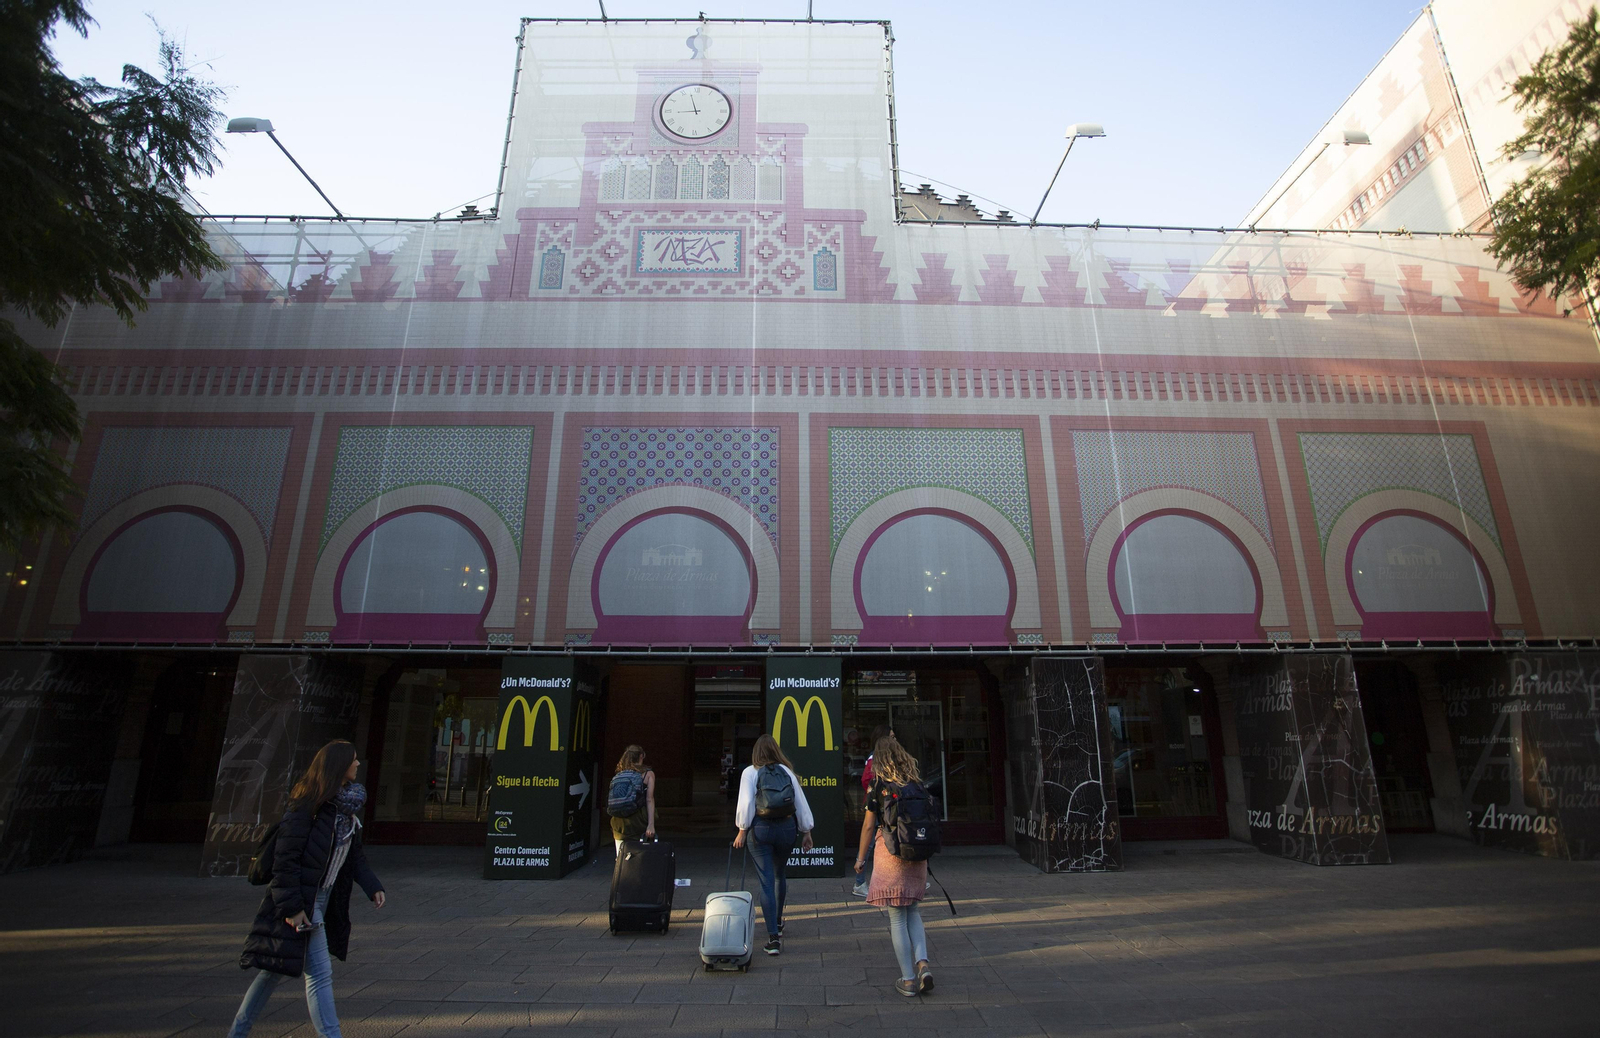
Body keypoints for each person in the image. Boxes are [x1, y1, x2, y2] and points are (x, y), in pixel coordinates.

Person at [230, 740, 385, 1038]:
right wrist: (294, 908)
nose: (358, 764)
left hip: (322, 898)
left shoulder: (346, 809)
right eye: (353, 760)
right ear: (339, 767)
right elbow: (284, 862)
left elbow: (354, 856)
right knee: (319, 975)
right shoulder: (306, 807)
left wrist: (372, 886)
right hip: (302, 900)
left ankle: (237, 1033)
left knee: (273, 971)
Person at [855, 734, 933, 998]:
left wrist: (860, 859)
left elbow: (868, 825)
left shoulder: (878, 785)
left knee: (897, 917)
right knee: (914, 910)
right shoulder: (916, 782)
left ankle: (908, 979)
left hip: (891, 855)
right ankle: (923, 963)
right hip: (918, 855)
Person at [733, 733, 815, 956]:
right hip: (787, 828)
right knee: (780, 875)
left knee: (766, 881)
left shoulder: (750, 772)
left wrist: (742, 830)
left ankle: (772, 939)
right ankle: (778, 923)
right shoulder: (787, 771)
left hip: (761, 829)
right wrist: (806, 831)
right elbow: (800, 801)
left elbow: (747, 803)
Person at [853, 724, 893, 897]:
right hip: (879, 806)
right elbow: (867, 780)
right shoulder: (874, 758)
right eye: (892, 736)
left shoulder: (882, 757)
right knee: (869, 843)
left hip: (883, 805)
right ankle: (860, 882)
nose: (894, 739)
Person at [610, 745, 656, 853]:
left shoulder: (619, 774)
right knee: (641, 856)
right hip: (638, 820)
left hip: (619, 821)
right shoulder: (648, 774)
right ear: (641, 756)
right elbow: (649, 799)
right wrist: (651, 825)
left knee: (621, 857)